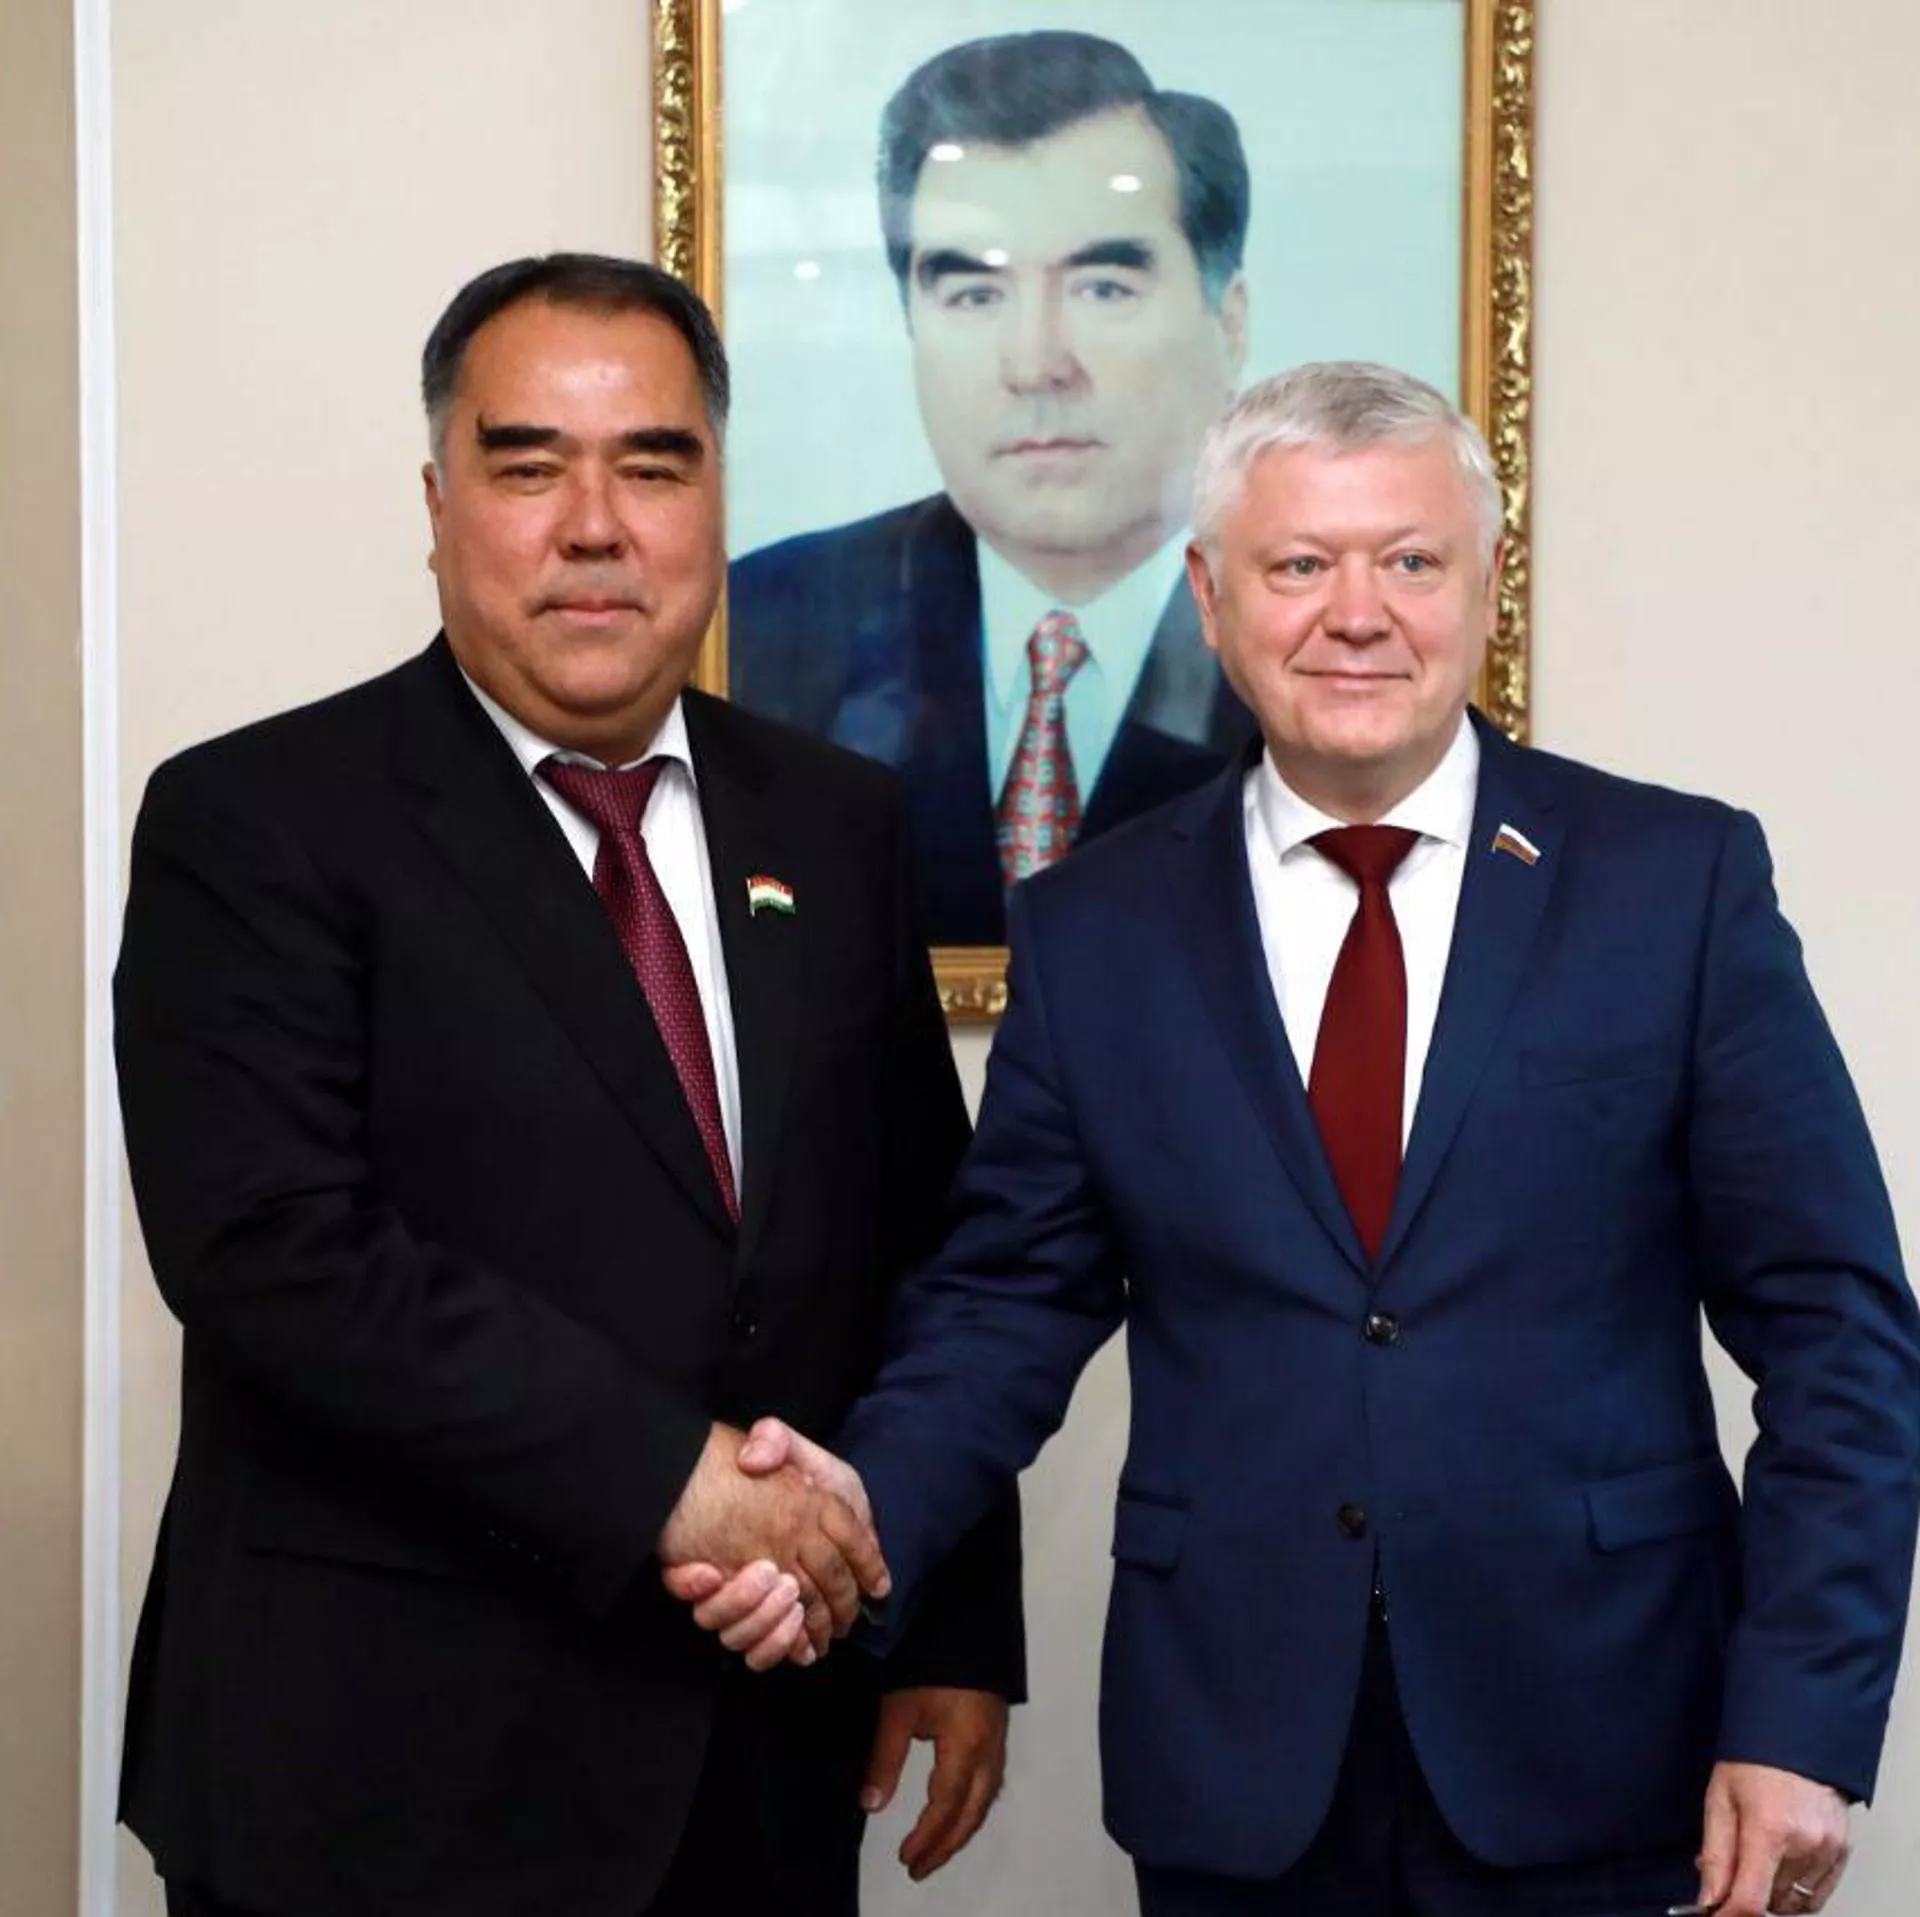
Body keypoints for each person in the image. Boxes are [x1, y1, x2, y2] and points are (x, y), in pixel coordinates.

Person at [682, 363, 1920, 1917]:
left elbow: (1838, 1334)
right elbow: (1004, 1308)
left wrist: (1800, 1715)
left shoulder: (1674, 884)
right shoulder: (1095, 926)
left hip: (1599, 1736)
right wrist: (846, 1517)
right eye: (1298, 564)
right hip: (1239, 1763)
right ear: (1212, 598)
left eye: (1409, 559)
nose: (1358, 614)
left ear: (1486, 582)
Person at [113, 253, 1023, 1917]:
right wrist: (671, 1475)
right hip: (382, 1773)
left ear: (715, 504)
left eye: (652, 468)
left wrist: (943, 1619)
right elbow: (272, 1252)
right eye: (530, 467)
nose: (595, 527)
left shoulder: (838, 821)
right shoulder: (256, 820)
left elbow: (917, 1239)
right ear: (438, 505)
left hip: (760, 1758)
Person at [730, 31, 1256, 946]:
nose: (1035, 363)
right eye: (974, 296)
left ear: (1229, 324)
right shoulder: (763, 628)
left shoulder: (1324, 634)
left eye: (1102, 288)